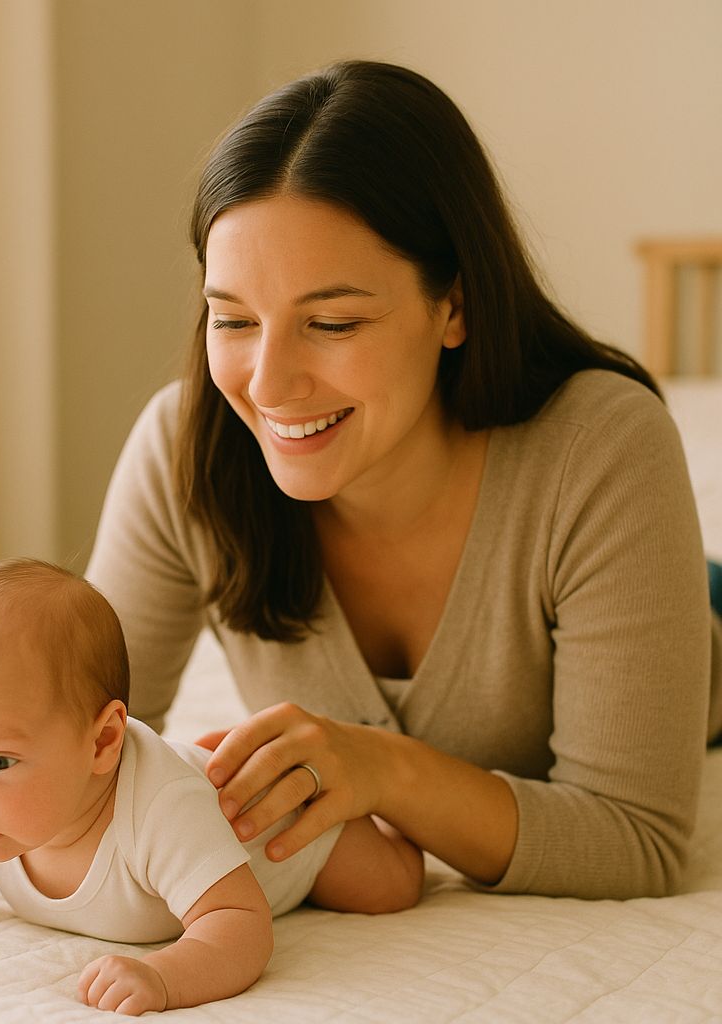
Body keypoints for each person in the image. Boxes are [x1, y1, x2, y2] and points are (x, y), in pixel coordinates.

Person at [86, 59, 722, 902]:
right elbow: (81, 746)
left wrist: (380, 769)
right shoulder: (185, 448)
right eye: (233, 319)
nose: (268, 384)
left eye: (332, 322)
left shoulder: (601, 449)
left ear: (454, 306)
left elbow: (636, 837)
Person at [0, 558, 422, 1016]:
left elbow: (241, 925)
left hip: (289, 825)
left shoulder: (162, 810)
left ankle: (370, 798)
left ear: (102, 742)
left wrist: (166, 976)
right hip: (210, 797)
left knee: (389, 887)